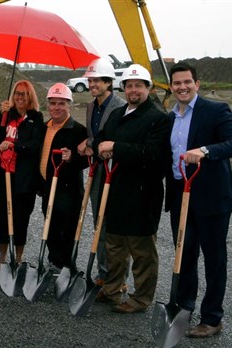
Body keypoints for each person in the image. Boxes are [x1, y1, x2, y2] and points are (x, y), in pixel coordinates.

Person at [93, 64, 171, 313]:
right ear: (123, 88)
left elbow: (152, 153)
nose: (133, 90)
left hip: (142, 192)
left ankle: (142, 298)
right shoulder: (118, 114)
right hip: (115, 187)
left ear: (148, 87)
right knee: (114, 245)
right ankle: (113, 288)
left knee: (141, 250)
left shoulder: (158, 118)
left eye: (138, 85)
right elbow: (101, 139)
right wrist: (97, 147)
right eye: (129, 85)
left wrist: (114, 147)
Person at [165, 61, 232, 338]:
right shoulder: (170, 117)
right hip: (181, 193)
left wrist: (205, 150)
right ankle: (184, 307)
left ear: (197, 84)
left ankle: (212, 318)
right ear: (171, 86)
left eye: (187, 82)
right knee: (184, 252)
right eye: (177, 83)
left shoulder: (215, 110)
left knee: (213, 257)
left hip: (210, 196)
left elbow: (230, 142)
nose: (182, 87)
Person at [0, 80, 44, 273]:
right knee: (2, 216)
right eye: (17, 93)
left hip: (24, 177)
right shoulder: (6, 115)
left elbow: (35, 145)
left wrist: (14, 145)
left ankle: (18, 259)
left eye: (24, 94)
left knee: (20, 218)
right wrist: (1, 116)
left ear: (30, 97)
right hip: (4, 174)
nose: (20, 97)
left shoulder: (36, 118)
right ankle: (2, 259)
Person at [77, 58, 126, 284]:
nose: (93, 84)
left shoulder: (121, 106)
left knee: (116, 226)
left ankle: (119, 277)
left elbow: (120, 137)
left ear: (108, 82)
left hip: (117, 172)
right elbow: (95, 135)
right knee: (100, 223)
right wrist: (87, 142)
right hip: (97, 171)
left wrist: (97, 144)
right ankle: (103, 274)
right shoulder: (90, 107)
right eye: (91, 80)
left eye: (97, 80)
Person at [38, 83, 88, 271]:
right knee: (49, 226)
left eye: (61, 103)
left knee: (67, 230)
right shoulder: (44, 128)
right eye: (53, 103)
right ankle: (54, 262)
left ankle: (67, 266)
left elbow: (87, 161)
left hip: (69, 190)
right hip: (47, 187)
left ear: (70, 105)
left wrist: (72, 158)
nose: (56, 107)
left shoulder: (78, 130)